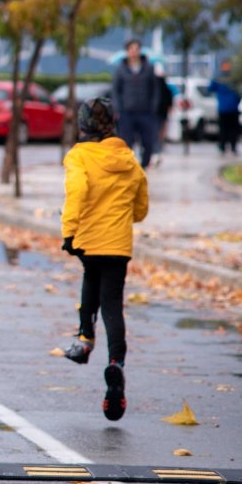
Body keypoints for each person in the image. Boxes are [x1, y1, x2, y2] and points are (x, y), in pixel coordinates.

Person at [59, 97, 148, 422]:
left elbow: (77, 192)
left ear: (83, 124)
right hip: (118, 243)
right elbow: (141, 208)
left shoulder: (80, 155)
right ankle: (116, 364)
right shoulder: (128, 158)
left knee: (89, 280)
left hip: (89, 240)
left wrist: (69, 233)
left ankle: (84, 340)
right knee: (112, 303)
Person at [111, 39, 161, 168]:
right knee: (126, 142)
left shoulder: (149, 68)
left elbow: (155, 89)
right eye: (130, 50)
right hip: (127, 112)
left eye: (136, 49)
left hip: (146, 112)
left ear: (139, 51)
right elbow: (115, 90)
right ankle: (128, 165)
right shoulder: (120, 69)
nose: (133, 52)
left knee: (148, 142)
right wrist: (117, 109)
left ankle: (144, 165)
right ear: (127, 52)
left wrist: (154, 107)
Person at [209, 61, 242, 155]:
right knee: (233, 129)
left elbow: (210, 88)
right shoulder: (234, 79)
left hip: (223, 108)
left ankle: (223, 146)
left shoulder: (219, 78)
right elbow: (240, 93)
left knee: (223, 128)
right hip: (233, 108)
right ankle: (232, 146)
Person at [153, 63, 173, 168]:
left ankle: (157, 149)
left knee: (157, 132)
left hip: (157, 113)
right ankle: (158, 148)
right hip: (160, 113)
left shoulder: (155, 84)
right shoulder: (164, 85)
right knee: (160, 132)